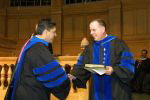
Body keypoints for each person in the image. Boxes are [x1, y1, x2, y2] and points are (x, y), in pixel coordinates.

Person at [5, 18, 70, 100]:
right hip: (32, 94)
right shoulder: (38, 49)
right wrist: (66, 79)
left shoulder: (31, 43)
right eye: (53, 32)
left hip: (24, 91)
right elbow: (52, 74)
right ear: (46, 32)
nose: (55, 35)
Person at [70, 19, 135, 100]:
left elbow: (128, 64)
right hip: (96, 91)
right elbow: (81, 65)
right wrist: (74, 75)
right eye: (90, 30)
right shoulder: (90, 48)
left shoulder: (118, 44)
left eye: (94, 30)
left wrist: (113, 69)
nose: (91, 33)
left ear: (103, 29)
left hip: (116, 88)